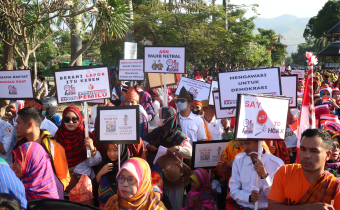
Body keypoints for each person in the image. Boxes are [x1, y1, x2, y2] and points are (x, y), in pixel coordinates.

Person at [268, 129, 340, 209]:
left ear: (327, 155)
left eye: (314, 151)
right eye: (303, 149)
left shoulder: (334, 187)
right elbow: (272, 207)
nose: (306, 155)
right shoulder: (285, 172)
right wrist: (308, 208)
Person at [144, 106, 192, 209]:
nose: (159, 119)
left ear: (169, 119)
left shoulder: (180, 136)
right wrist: (147, 145)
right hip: (157, 175)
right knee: (158, 203)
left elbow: (190, 153)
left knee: (173, 204)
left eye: (162, 117)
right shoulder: (157, 132)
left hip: (173, 176)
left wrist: (177, 148)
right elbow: (143, 141)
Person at [14, 107, 70, 190]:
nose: (15, 127)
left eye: (18, 123)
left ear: (29, 124)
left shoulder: (53, 147)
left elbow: (64, 178)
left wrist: (50, 192)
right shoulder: (19, 147)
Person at [54, 106, 101, 191]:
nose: (70, 122)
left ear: (79, 119)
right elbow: (54, 160)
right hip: (64, 182)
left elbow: (96, 162)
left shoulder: (87, 135)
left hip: (84, 183)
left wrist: (91, 148)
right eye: (67, 119)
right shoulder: (58, 136)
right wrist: (67, 168)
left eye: (74, 119)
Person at [228, 140, 284, 210]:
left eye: (248, 143)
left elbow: (277, 197)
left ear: (259, 141)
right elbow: (233, 190)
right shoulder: (238, 160)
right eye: (241, 144)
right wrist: (248, 197)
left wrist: (264, 177)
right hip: (244, 207)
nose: (245, 147)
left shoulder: (277, 164)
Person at [97, 144, 129, 209]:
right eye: (109, 150)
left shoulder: (128, 165)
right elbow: (97, 181)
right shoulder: (105, 162)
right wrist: (101, 172)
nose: (111, 154)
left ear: (122, 150)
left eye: (115, 150)